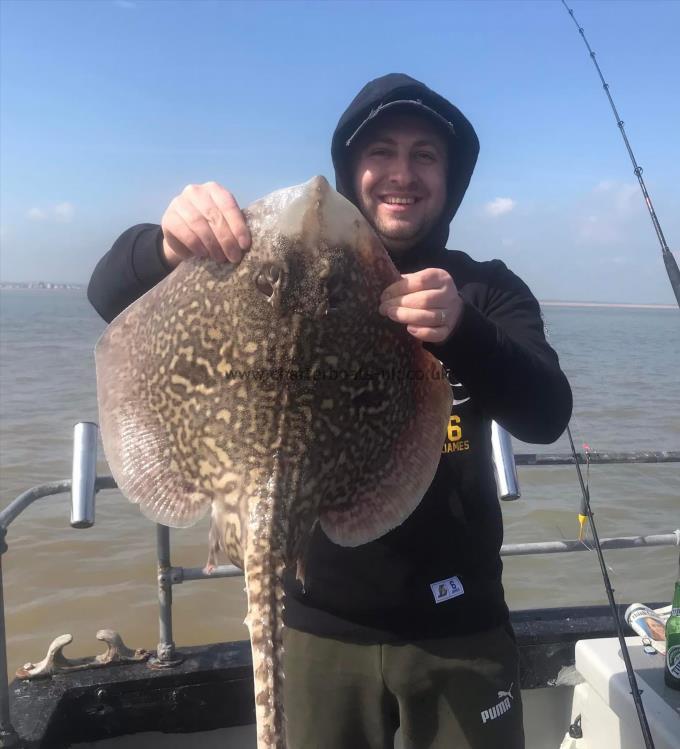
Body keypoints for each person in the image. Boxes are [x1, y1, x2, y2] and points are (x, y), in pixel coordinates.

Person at [88, 73, 572, 749]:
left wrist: (463, 329)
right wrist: (167, 244)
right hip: (318, 627)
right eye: (382, 151)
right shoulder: (247, 265)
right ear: (353, 169)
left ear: (451, 175)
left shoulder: (485, 289)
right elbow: (110, 294)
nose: (401, 172)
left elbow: (547, 412)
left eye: (425, 154)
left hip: (462, 629)